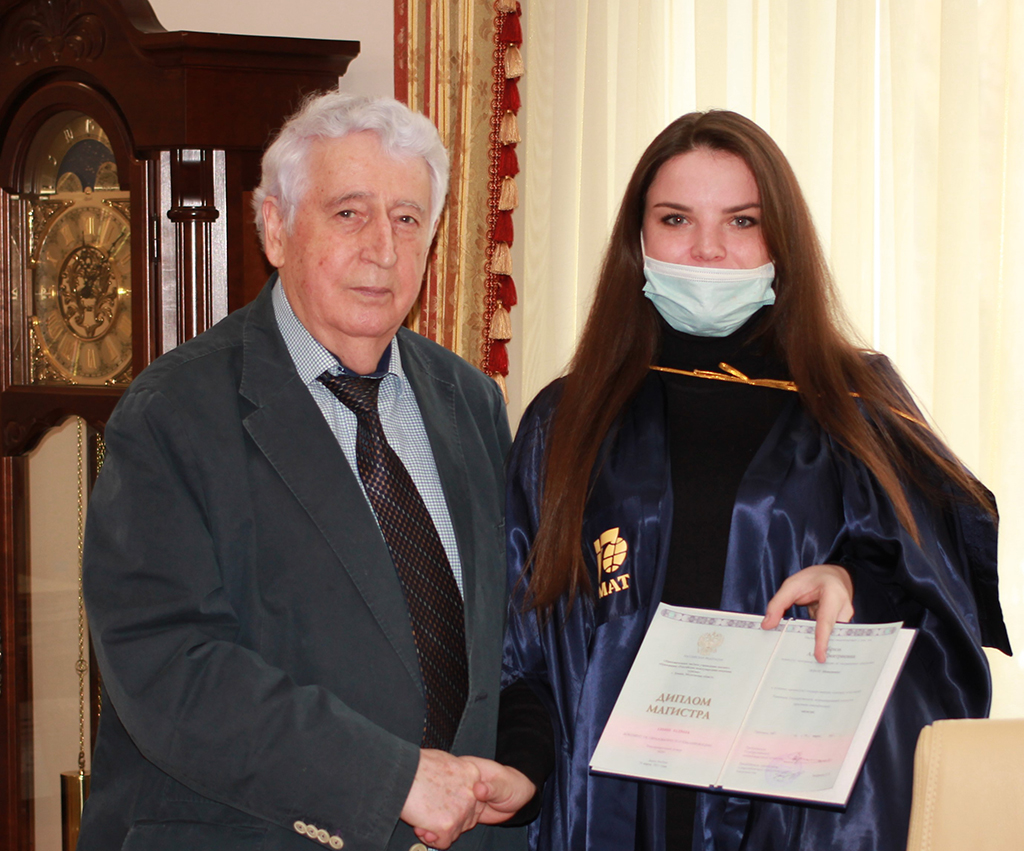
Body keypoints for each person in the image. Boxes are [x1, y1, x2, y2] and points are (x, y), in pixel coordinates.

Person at [498, 110, 1011, 851]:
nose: (707, 249)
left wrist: (852, 584)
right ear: (637, 241)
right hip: (608, 804)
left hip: (790, 814)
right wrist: (518, 767)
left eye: (742, 221)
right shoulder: (568, 419)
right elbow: (523, 636)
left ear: (781, 242)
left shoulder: (852, 402)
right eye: (676, 219)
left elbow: (938, 584)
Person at [80, 92, 528, 851]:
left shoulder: (471, 401)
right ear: (276, 228)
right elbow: (172, 668)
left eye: (408, 218)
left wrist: (525, 761)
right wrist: (390, 780)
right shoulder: (171, 413)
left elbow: (507, 635)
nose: (383, 248)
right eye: (349, 213)